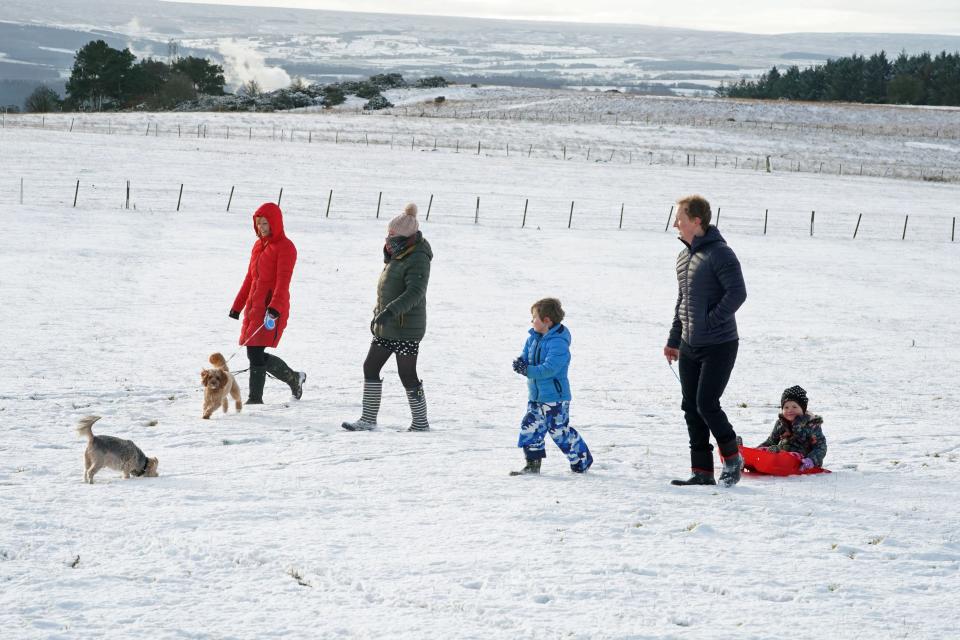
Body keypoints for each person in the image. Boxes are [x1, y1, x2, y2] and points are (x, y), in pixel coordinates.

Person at [664, 195, 747, 487]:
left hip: (720, 344)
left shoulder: (721, 254)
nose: (675, 223)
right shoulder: (684, 256)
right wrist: (675, 338)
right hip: (689, 344)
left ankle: (732, 457)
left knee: (706, 403)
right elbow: (682, 300)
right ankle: (701, 471)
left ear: (696, 221)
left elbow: (737, 294)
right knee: (690, 406)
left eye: (680, 218)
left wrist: (710, 321)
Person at [342, 203, 433, 432]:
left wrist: (390, 311)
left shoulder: (418, 256)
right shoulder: (398, 253)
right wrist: (379, 314)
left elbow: (415, 292)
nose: (388, 237)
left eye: (392, 234)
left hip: (406, 327)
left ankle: (420, 423)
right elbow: (387, 289)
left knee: (407, 374)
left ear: (404, 235)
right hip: (388, 325)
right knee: (370, 366)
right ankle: (368, 419)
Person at [229, 202, 305, 404]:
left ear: (275, 223)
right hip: (254, 306)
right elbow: (250, 278)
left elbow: (283, 281)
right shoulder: (258, 246)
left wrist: (275, 307)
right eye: (258, 224)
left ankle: (255, 399)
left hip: (271, 308)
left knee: (255, 351)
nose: (261, 227)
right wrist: (238, 305)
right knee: (254, 352)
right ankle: (294, 378)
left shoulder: (286, 248)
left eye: (265, 223)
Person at [509, 298, 593, 475]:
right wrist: (521, 363)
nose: (532, 322)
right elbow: (526, 356)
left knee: (559, 432)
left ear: (547, 320)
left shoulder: (558, 343)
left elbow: (550, 369)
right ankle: (532, 464)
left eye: (534, 318)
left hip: (555, 398)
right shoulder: (532, 338)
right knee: (530, 427)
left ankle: (582, 459)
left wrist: (528, 370)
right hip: (535, 396)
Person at [740, 385, 828, 475]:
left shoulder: (811, 424)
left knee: (792, 455)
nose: (790, 410)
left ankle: (772, 456)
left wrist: (811, 460)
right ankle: (745, 456)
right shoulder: (781, 423)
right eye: (786, 407)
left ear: (803, 408)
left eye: (794, 407)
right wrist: (757, 451)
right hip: (780, 454)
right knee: (766, 450)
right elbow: (771, 441)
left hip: (802, 461)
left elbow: (820, 447)